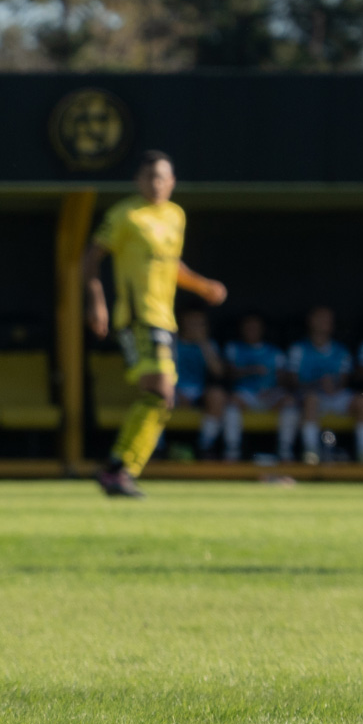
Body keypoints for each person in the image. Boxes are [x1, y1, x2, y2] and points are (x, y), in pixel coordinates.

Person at [84, 150, 227, 497]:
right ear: (138, 181)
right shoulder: (125, 215)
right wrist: (97, 303)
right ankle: (119, 469)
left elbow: (172, 264)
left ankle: (119, 469)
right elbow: (89, 261)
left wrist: (203, 285)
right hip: (136, 318)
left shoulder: (175, 216)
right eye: (149, 177)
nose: (156, 183)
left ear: (172, 182)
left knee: (162, 399)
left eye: (162, 177)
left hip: (165, 319)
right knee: (160, 392)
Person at [287, 306, 363, 464]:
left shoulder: (341, 350)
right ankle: (311, 453)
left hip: (336, 396)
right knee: (311, 399)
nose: (326, 322)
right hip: (310, 396)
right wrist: (317, 384)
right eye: (321, 318)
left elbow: (343, 381)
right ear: (311, 321)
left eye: (329, 319)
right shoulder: (299, 349)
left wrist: (333, 385)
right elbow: (292, 381)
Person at [223, 313, 288, 459]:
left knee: (289, 401)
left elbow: (286, 381)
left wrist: (273, 385)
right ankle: (232, 450)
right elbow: (227, 374)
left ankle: (286, 450)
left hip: (269, 395)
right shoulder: (234, 348)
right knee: (232, 400)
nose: (251, 330)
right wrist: (250, 370)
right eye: (248, 327)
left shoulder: (274, 352)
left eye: (255, 328)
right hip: (245, 394)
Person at [177, 309, 231, 460]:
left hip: (199, 393)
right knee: (157, 396)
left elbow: (218, 372)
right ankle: (157, 449)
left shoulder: (208, 344)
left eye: (200, 324)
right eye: (191, 323)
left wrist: (203, 343)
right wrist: (176, 392)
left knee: (217, 396)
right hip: (174, 392)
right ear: (182, 323)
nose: (195, 327)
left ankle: (204, 446)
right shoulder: (172, 343)